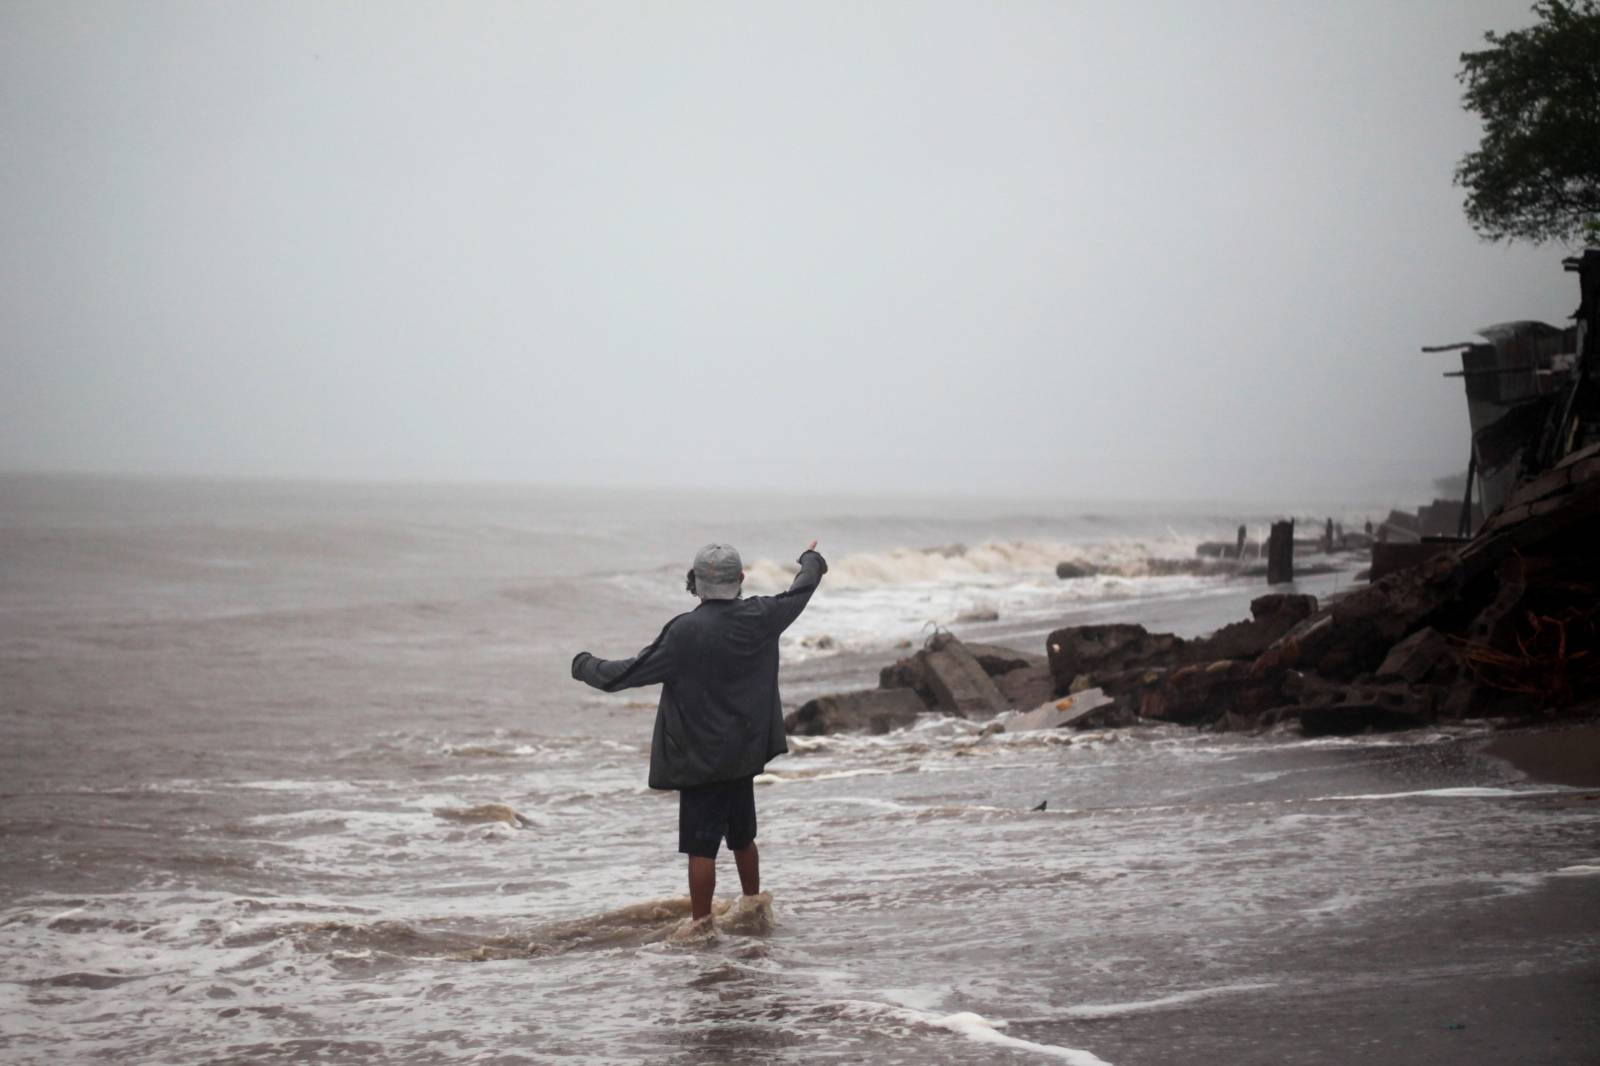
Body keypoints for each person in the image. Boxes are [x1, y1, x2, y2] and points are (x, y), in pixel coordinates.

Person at [570, 540, 827, 925]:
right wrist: (811, 559)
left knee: (701, 850)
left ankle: (702, 927)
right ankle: (755, 910)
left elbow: (623, 675)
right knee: (743, 839)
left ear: (694, 582)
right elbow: (802, 589)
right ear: (740, 579)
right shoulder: (764, 615)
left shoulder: (684, 632)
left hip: (700, 759)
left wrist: (583, 664)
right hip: (744, 752)